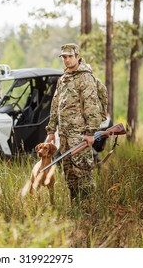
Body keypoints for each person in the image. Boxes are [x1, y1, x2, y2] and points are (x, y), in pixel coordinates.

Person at [45, 43, 102, 202]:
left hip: (80, 135)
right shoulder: (63, 79)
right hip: (64, 135)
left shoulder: (85, 77)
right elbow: (56, 105)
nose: (67, 60)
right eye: (64, 57)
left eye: (70, 56)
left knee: (83, 172)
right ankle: (75, 207)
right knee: (69, 173)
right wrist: (51, 131)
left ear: (77, 56)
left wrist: (91, 133)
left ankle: (89, 209)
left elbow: (91, 106)